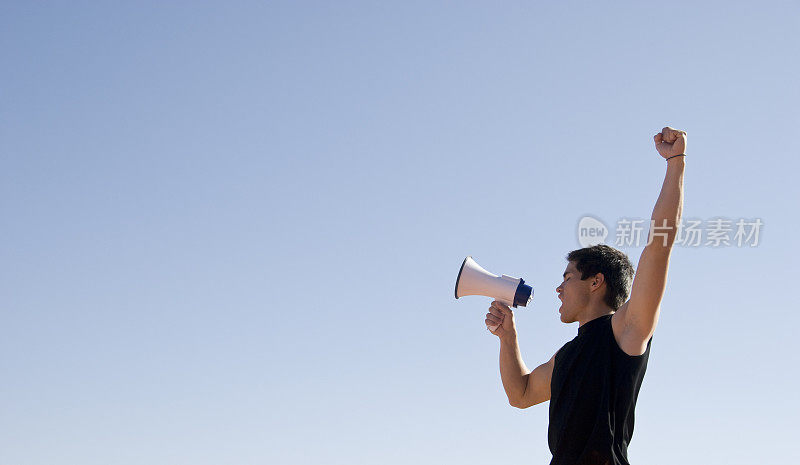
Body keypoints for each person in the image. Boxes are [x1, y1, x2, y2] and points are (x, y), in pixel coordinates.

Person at [485, 127, 687, 465]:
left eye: (567, 277)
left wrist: (676, 162)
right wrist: (507, 337)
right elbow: (520, 394)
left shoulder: (625, 330)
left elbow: (658, 246)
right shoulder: (566, 356)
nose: (558, 289)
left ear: (596, 282)